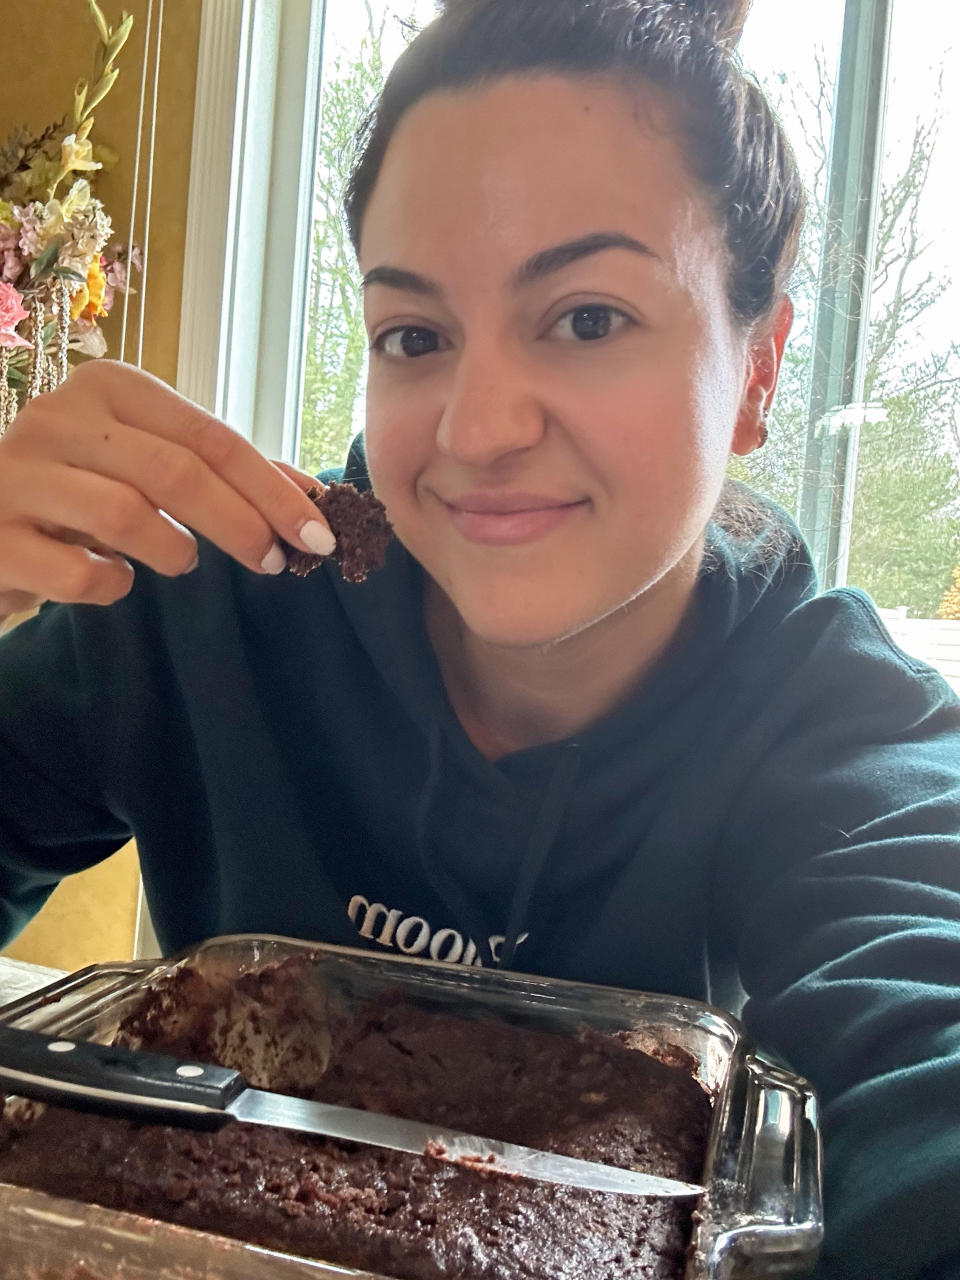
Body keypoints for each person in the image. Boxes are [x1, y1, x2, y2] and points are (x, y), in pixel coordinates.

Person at [0, 0, 957, 1275]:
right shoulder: (201, 597)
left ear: (763, 368)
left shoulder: (842, 728)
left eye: (588, 317)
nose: (477, 427)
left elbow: (923, 1080)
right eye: (416, 335)